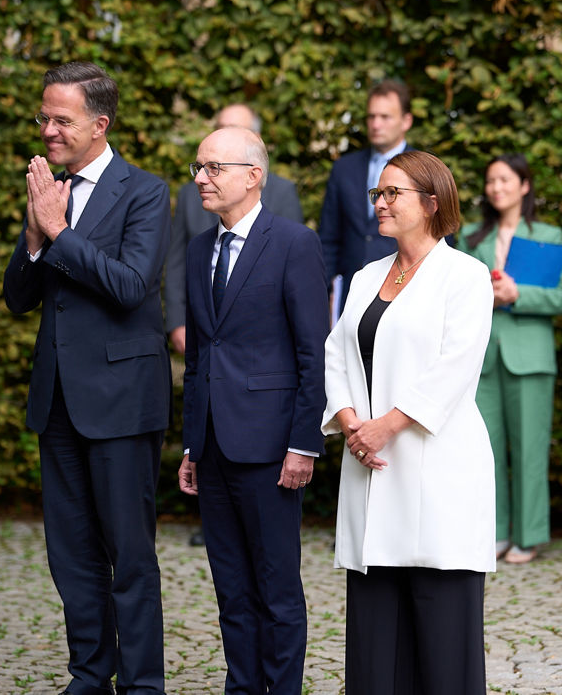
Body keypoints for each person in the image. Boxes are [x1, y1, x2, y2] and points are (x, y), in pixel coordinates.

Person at [3, 62, 171, 695]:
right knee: (71, 555)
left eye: (61, 119)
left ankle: (144, 683)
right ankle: (87, 673)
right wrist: (34, 234)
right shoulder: (50, 190)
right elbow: (18, 297)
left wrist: (59, 231)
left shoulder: (145, 192)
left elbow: (131, 287)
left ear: (99, 125)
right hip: (58, 402)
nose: (47, 129)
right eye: (43, 117)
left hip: (123, 401)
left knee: (129, 553)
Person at [322, 150, 496, 695]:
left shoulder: (464, 276)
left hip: (436, 468)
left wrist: (386, 426)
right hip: (370, 466)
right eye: (378, 193)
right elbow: (337, 354)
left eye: (393, 192)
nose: (381, 202)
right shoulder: (367, 275)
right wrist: (353, 424)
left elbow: (456, 366)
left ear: (432, 202)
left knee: (443, 639)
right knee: (375, 640)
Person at [177, 126, 327, 695]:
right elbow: (199, 356)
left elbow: (314, 351)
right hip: (214, 444)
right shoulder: (197, 248)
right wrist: (193, 442)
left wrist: (303, 443)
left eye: (214, 167)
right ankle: (241, 687)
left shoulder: (294, 242)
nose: (201, 178)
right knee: (231, 586)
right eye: (198, 167)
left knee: (276, 586)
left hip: (271, 446)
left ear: (253, 175)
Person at [457, 153, 562, 565]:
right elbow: (455, 295)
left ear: (524, 185)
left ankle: (529, 535)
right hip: (483, 356)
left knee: (529, 450)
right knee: (484, 450)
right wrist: (487, 296)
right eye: (491, 181)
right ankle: (492, 532)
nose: (497, 188)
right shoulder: (470, 237)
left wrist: (518, 295)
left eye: (505, 180)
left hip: (532, 356)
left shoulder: (546, 232)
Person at [165, 103, 303, 356]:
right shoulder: (190, 195)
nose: (201, 179)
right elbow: (176, 263)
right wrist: (177, 322)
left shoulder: (283, 194)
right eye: (220, 128)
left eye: (234, 129)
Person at [318, 79, 414, 317]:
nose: (376, 124)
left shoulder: (422, 170)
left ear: (406, 121)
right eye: (371, 117)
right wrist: (322, 286)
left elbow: (438, 236)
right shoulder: (344, 169)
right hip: (350, 292)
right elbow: (329, 237)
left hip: (405, 292)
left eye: (385, 117)